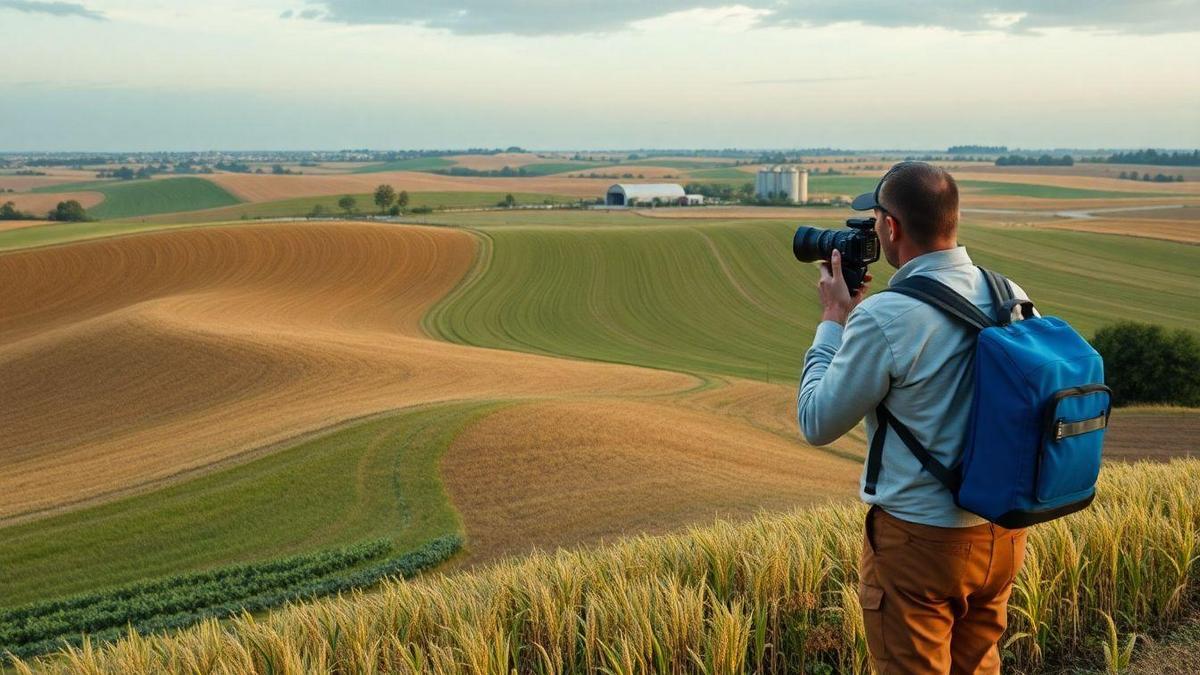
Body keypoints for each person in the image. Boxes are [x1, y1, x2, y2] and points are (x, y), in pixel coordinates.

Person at [797, 162, 1029, 674]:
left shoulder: (887, 315)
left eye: (876, 217)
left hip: (919, 540)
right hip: (1002, 530)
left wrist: (834, 322)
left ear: (892, 227)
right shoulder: (1009, 293)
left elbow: (816, 421)